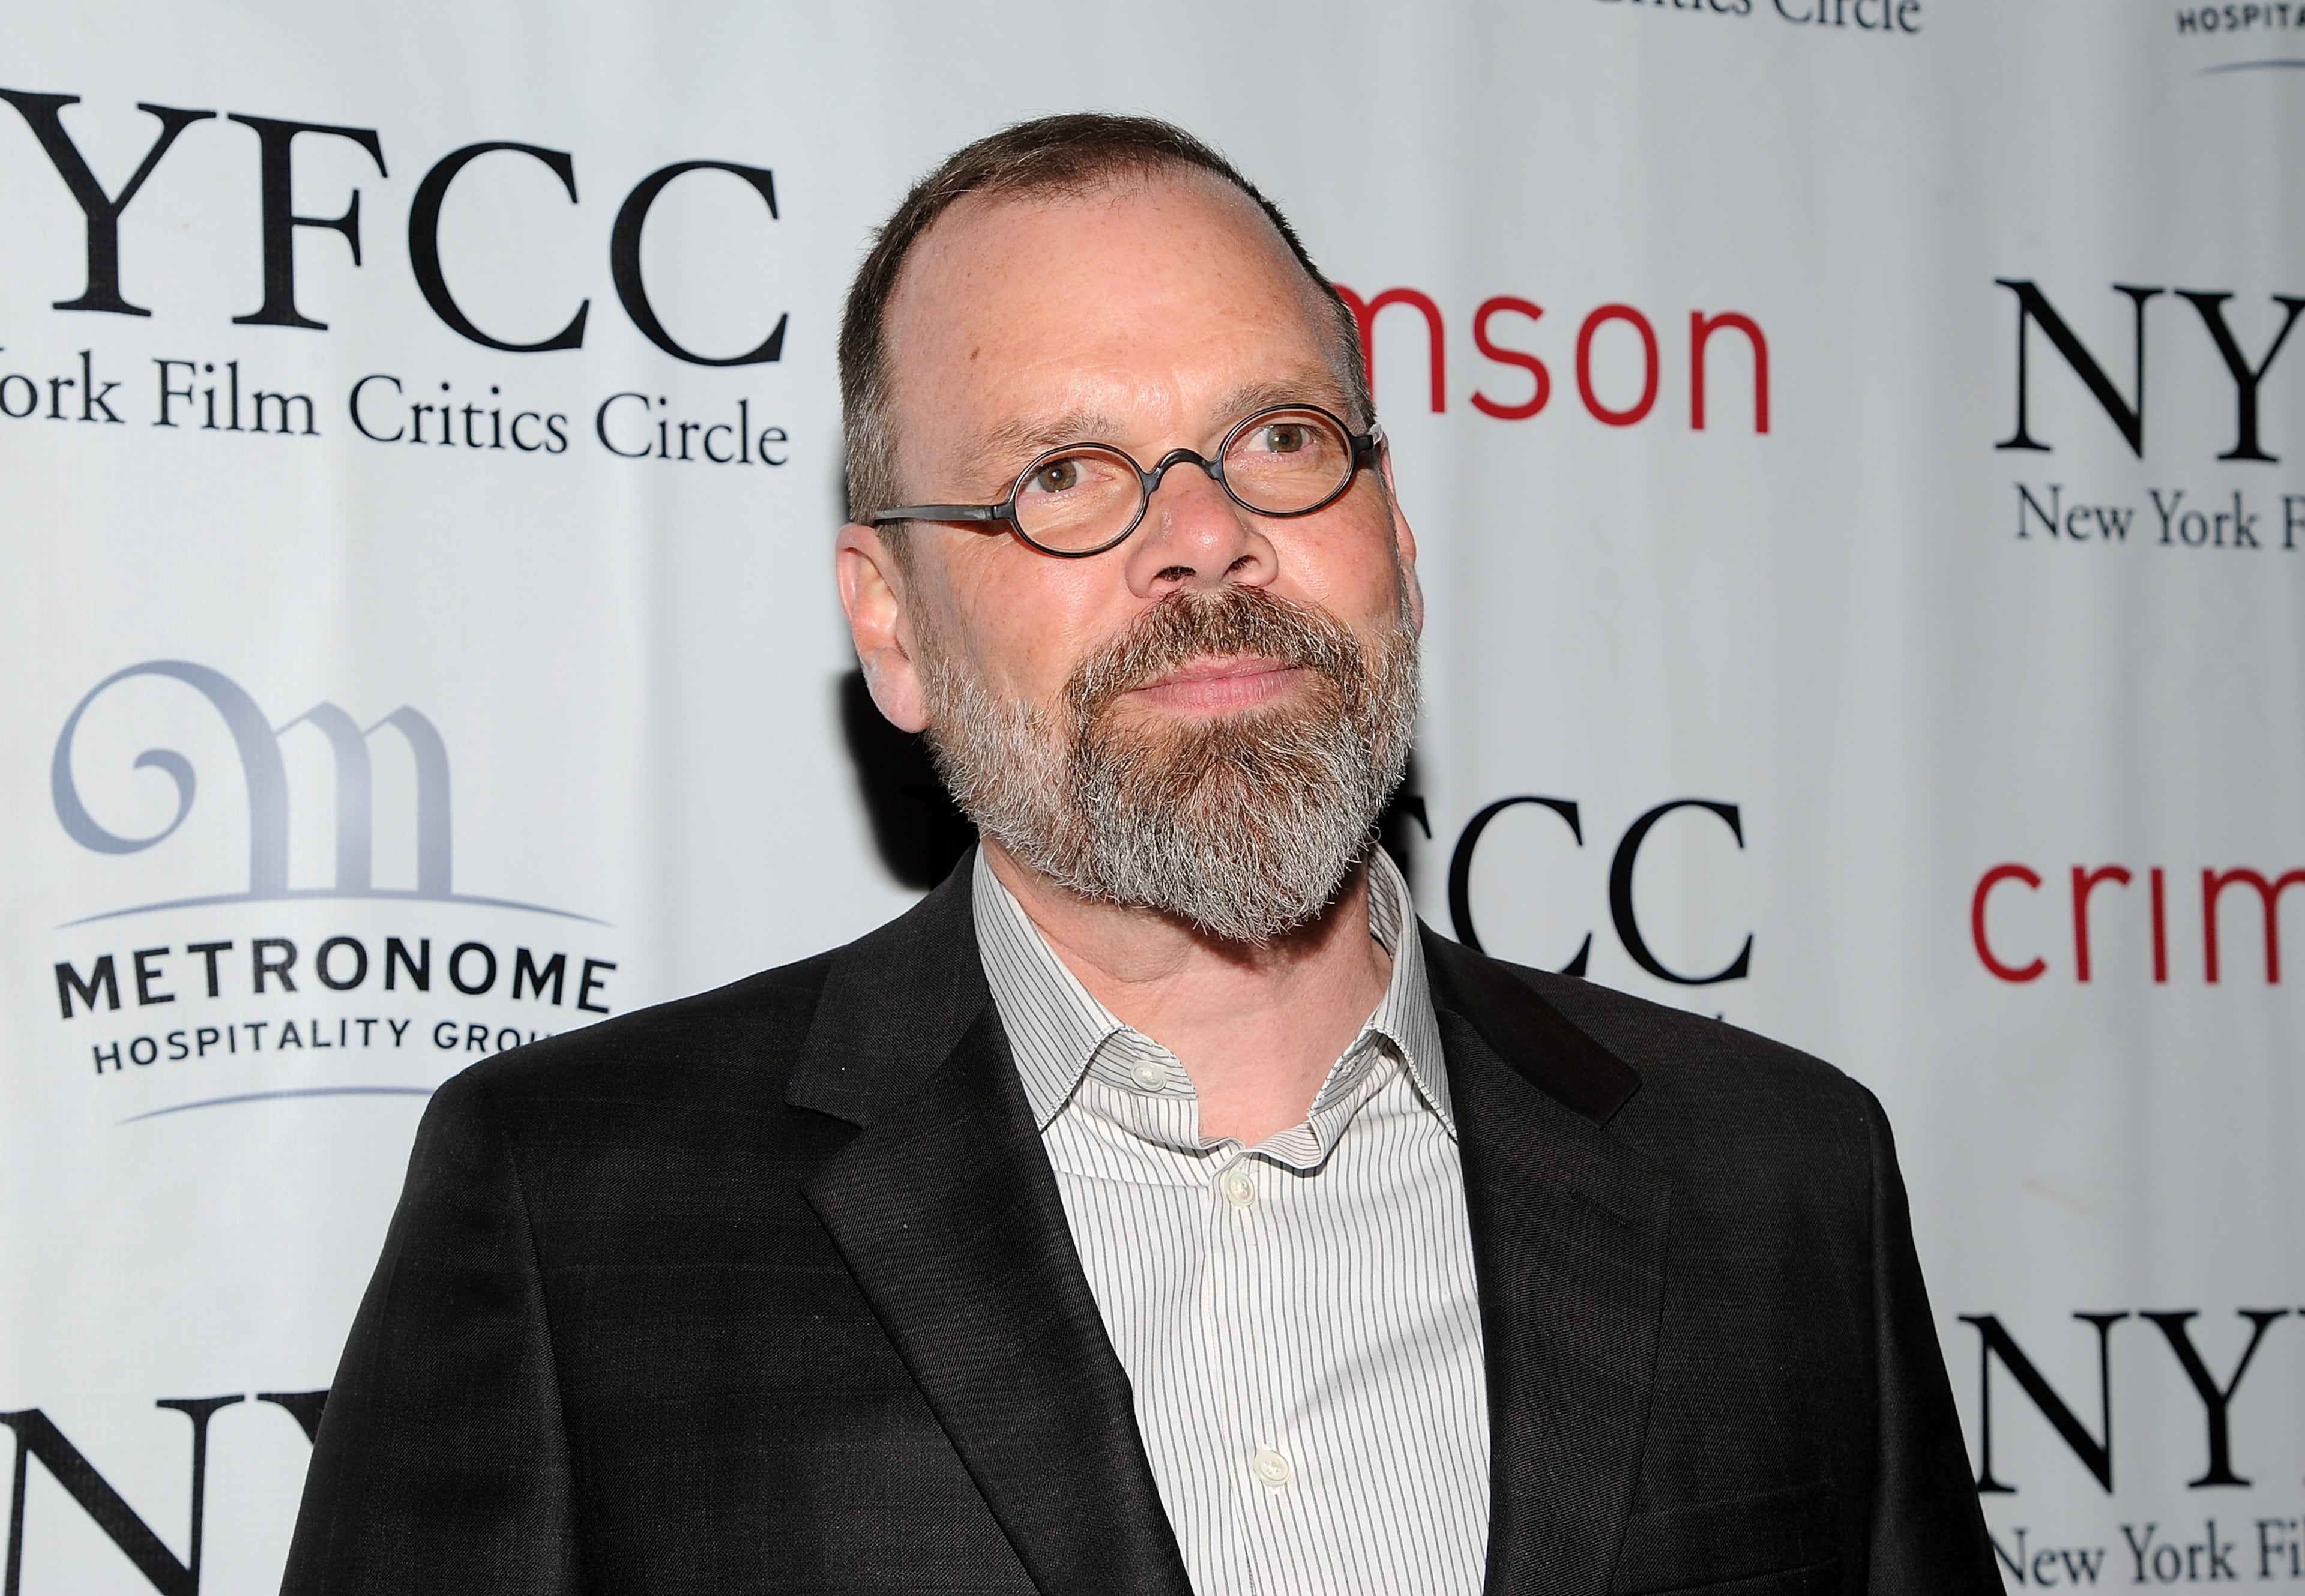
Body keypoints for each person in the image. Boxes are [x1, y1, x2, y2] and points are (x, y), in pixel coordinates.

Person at [282, 114, 2000, 1596]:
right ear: (892, 627)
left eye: (1279, 439)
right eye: (1063, 474)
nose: (1206, 536)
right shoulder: (576, 1212)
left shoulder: (1782, 1180)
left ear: (1394, 535)